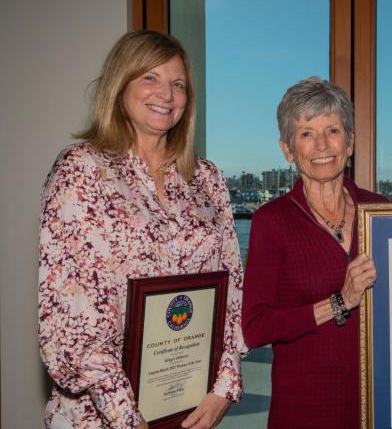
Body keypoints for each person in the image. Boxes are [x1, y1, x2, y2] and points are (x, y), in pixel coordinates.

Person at [38, 30, 246, 429]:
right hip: (98, 417)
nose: (166, 94)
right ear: (121, 85)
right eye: (150, 77)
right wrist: (128, 420)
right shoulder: (82, 172)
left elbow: (232, 289)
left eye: (178, 83)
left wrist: (225, 386)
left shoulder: (207, 179)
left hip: (189, 408)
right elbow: (73, 321)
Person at [242, 77, 387, 429]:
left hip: (382, 401)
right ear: (288, 149)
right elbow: (255, 328)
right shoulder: (271, 221)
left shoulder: (382, 212)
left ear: (350, 142)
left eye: (333, 130)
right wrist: (339, 301)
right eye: (306, 133)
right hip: (305, 407)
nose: (321, 144)